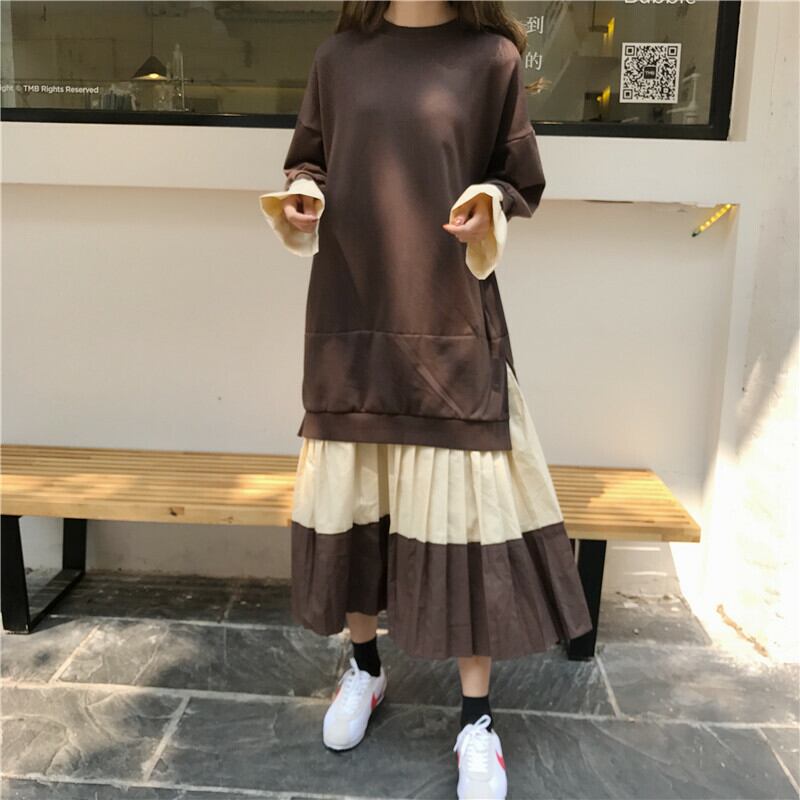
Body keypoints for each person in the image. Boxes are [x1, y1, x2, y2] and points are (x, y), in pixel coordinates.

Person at [259, 2, 593, 798]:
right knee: (355, 502)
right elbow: (310, 161)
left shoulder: (491, 59)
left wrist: (489, 201)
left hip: (448, 316)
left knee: (467, 518)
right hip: (352, 311)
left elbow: (518, 177)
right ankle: (365, 668)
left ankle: (477, 719)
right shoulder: (340, 57)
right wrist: (302, 195)